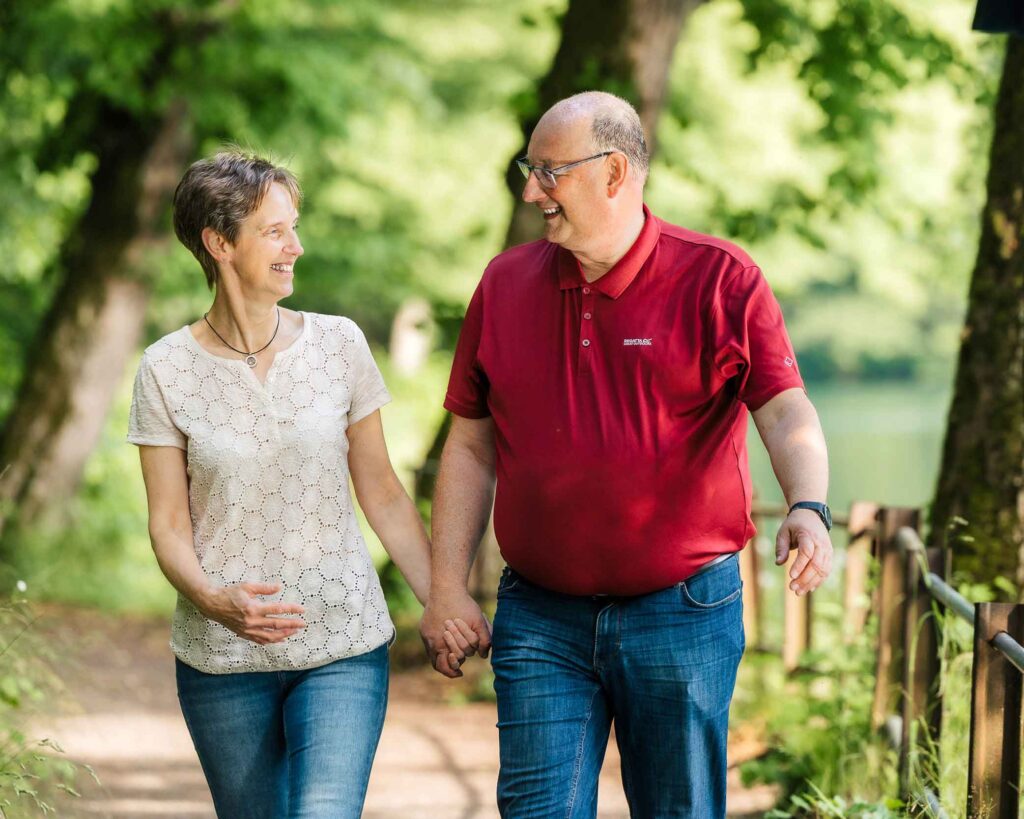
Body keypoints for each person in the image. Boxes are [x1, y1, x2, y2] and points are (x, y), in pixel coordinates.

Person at [421, 92, 835, 818]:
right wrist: (448, 585)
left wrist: (807, 505)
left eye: (549, 172)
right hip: (540, 614)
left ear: (615, 173)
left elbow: (783, 407)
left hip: (683, 611)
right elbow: (469, 442)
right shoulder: (503, 282)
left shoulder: (719, 277)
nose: (530, 191)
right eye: (529, 169)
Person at [128, 150, 431, 818]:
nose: (297, 246)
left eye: (293, 227)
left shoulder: (339, 344)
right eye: (275, 231)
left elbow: (381, 490)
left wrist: (442, 601)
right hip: (221, 658)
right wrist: (211, 598)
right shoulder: (165, 369)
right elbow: (168, 525)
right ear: (220, 242)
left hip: (343, 641)